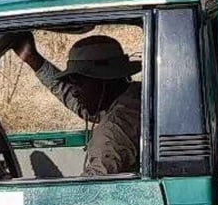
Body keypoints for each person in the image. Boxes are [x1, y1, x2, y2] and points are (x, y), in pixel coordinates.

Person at [13, 33, 142, 176]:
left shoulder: (114, 131)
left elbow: (91, 190)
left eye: (79, 82)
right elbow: (76, 99)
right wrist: (33, 59)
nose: (75, 92)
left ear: (103, 80)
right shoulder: (132, 98)